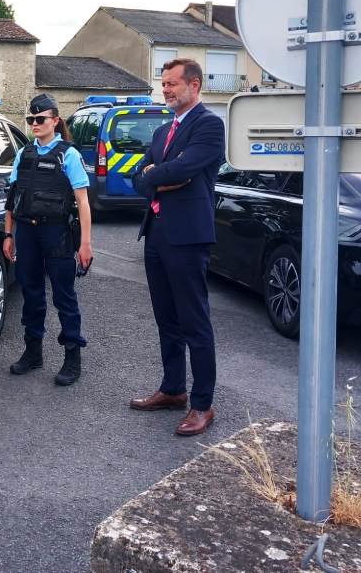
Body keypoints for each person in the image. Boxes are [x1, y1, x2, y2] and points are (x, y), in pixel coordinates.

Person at [130, 58, 225, 437]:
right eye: (163, 84)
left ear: (194, 85)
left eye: (172, 84)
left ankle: (202, 404)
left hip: (187, 238)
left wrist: (159, 175)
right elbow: (137, 178)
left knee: (194, 322)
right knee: (166, 319)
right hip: (156, 234)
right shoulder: (163, 132)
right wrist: (157, 178)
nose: (165, 90)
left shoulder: (209, 126)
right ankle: (172, 389)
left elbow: (184, 170)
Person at [3, 93, 93, 386]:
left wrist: (85, 244)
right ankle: (33, 352)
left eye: (40, 119)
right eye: (31, 119)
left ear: (55, 121)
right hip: (27, 231)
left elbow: (83, 201)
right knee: (31, 293)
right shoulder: (24, 153)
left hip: (57, 232)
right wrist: (8, 235)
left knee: (64, 296)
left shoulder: (68, 154)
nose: (35, 123)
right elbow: (12, 198)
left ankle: (72, 357)